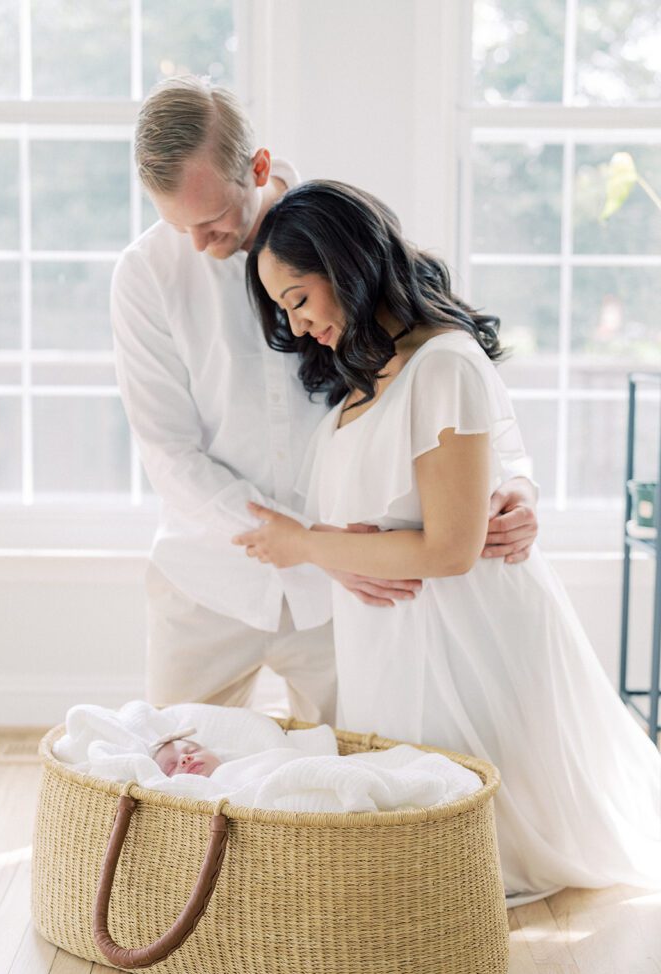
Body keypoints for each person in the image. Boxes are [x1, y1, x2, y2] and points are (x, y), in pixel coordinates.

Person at [236, 179, 661, 904]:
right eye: (285, 311)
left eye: (300, 300)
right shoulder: (370, 372)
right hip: (400, 641)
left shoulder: (443, 363)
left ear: (345, 265)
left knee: (461, 856)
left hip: (464, 637)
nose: (299, 326)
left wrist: (305, 546)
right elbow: (470, 477)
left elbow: (450, 550)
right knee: (414, 844)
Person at [111, 75, 539, 727]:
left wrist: (515, 481)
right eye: (178, 226)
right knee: (172, 779)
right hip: (210, 580)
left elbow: (441, 361)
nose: (199, 243)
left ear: (257, 167)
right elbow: (169, 452)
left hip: (359, 594)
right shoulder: (146, 273)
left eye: (211, 219)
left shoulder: (345, 234)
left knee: (355, 794)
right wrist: (307, 543)